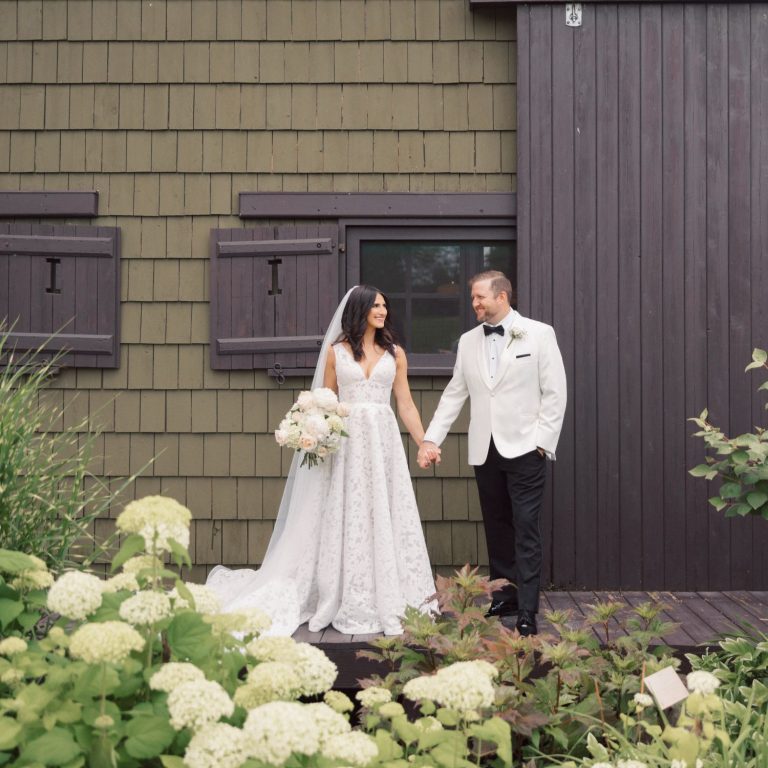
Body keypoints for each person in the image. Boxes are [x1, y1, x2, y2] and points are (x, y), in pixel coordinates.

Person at [207, 285, 435, 636]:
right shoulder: (336, 353)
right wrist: (313, 430)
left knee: (383, 510)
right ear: (359, 310)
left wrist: (424, 442)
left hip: (382, 443)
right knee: (346, 511)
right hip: (347, 444)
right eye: (376, 305)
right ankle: (338, 593)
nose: (383, 310)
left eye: (385, 305)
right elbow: (324, 400)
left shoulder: (395, 354)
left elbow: (405, 403)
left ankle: (385, 591)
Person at [417, 271, 566, 636]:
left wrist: (543, 442)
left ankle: (528, 608)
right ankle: (505, 596)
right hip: (485, 449)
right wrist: (431, 439)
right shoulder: (468, 341)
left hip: (526, 448)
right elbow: (455, 393)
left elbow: (555, 392)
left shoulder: (539, 333)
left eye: (480, 297)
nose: (475, 304)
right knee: (497, 527)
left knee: (526, 529)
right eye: (472, 298)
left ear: (502, 296)